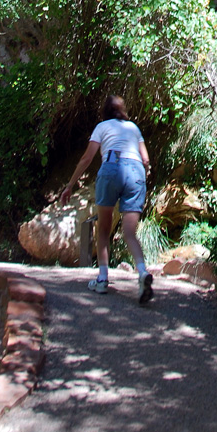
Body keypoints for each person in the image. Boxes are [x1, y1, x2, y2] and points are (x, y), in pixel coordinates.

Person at [60, 95, 154, 304]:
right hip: (136, 170)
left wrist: (69, 185)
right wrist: (141, 175)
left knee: (103, 229)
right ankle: (142, 273)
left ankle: (102, 279)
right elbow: (146, 159)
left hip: (112, 167)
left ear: (104, 111)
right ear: (123, 110)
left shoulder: (102, 127)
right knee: (130, 233)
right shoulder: (133, 128)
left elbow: (87, 158)